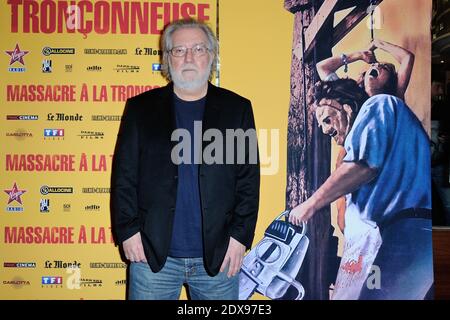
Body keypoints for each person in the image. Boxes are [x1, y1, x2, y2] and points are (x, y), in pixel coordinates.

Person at [111, 18, 260, 300]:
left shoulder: (236, 109)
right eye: (179, 50)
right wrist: (128, 231)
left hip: (218, 259)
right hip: (152, 257)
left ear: (212, 55)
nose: (189, 57)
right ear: (167, 58)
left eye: (198, 49)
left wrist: (240, 237)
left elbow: (248, 181)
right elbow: (124, 177)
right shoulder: (140, 109)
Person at [288, 79, 433, 299]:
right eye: (322, 125)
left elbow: (363, 165)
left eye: (328, 120)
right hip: (399, 232)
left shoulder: (378, 105)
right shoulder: (377, 133)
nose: (326, 130)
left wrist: (309, 205)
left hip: (406, 229)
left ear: (347, 107)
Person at [316, 39, 415, 232]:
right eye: (373, 66)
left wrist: (379, 43)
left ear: (390, 81)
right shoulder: (353, 98)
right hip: (349, 159)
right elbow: (323, 68)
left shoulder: (392, 99)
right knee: (345, 215)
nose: (376, 66)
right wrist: (360, 55)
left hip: (379, 167)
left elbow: (407, 58)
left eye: (382, 68)